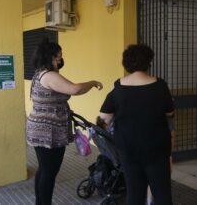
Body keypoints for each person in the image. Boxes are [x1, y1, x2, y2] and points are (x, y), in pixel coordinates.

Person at [26, 41, 103, 205]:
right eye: (57, 57)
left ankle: (40, 202)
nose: (60, 61)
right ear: (48, 57)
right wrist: (93, 82)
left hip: (41, 128)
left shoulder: (40, 73)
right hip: (48, 130)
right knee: (49, 171)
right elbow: (75, 89)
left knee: (44, 169)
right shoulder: (49, 75)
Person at [99, 44, 174, 205]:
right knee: (162, 195)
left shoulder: (118, 86)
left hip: (128, 148)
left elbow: (104, 116)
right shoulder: (160, 85)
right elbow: (170, 113)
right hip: (157, 149)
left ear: (126, 64)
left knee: (134, 195)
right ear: (149, 62)